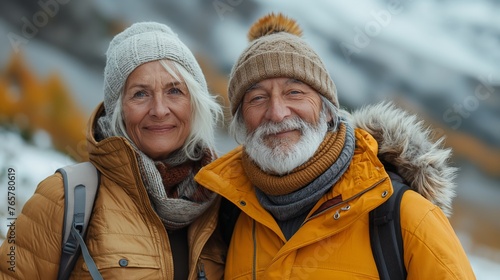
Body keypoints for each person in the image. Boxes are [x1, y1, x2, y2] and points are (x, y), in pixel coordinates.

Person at [194, 13, 476, 279]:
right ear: (242, 123)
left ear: (329, 111)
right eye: (257, 98)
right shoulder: (226, 216)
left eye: (295, 92)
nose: (277, 113)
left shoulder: (402, 215)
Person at [0, 22, 225, 279]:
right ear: (117, 110)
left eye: (174, 90)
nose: (160, 109)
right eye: (140, 94)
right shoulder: (65, 198)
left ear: (194, 102)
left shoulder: (222, 203)